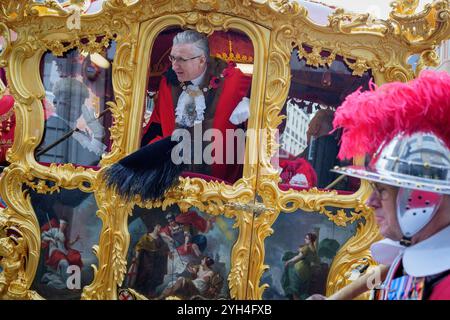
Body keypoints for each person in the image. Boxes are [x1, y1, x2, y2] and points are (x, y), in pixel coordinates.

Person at [307, 70, 450, 300]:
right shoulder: (406, 260)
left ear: (422, 197)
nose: (370, 202)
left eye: (382, 190)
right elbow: (388, 278)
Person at [104, 30, 252, 201]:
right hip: (173, 186)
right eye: (173, 58)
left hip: (221, 189)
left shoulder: (235, 81)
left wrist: (249, 101)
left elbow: (267, 93)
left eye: (182, 59)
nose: (174, 65)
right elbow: (157, 125)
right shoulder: (168, 83)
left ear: (202, 59)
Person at [39, 77, 106, 165]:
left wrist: (97, 135)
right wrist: (98, 135)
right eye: (68, 100)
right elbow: (90, 161)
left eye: (79, 102)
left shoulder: (75, 131)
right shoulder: (54, 127)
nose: (75, 107)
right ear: (56, 101)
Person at [127, 224, 169, 298]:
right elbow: (139, 247)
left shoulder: (159, 238)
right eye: (158, 226)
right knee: (144, 275)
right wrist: (136, 257)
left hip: (156, 262)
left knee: (154, 277)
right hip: (146, 260)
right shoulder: (146, 237)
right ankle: (139, 293)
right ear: (154, 227)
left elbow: (164, 247)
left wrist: (168, 252)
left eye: (160, 227)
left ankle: (150, 293)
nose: (159, 228)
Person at [40, 219, 82, 290]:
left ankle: (51, 278)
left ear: (66, 226)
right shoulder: (54, 230)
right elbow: (43, 236)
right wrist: (51, 239)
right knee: (64, 263)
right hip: (54, 251)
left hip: (63, 252)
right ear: (60, 223)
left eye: (65, 224)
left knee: (75, 258)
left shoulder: (64, 235)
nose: (63, 225)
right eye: (62, 223)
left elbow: (67, 244)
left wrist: (75, 240)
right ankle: (69, 284)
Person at [282, 233, 319, 299]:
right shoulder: (314, 249)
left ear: (310, 240)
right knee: (302, 290)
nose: (305, 239)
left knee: (295, 289)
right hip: (307, 271)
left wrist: (289, 261)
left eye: (307, 238)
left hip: (299, 270)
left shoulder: (306, 248)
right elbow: (313, 262)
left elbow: (298, 257)